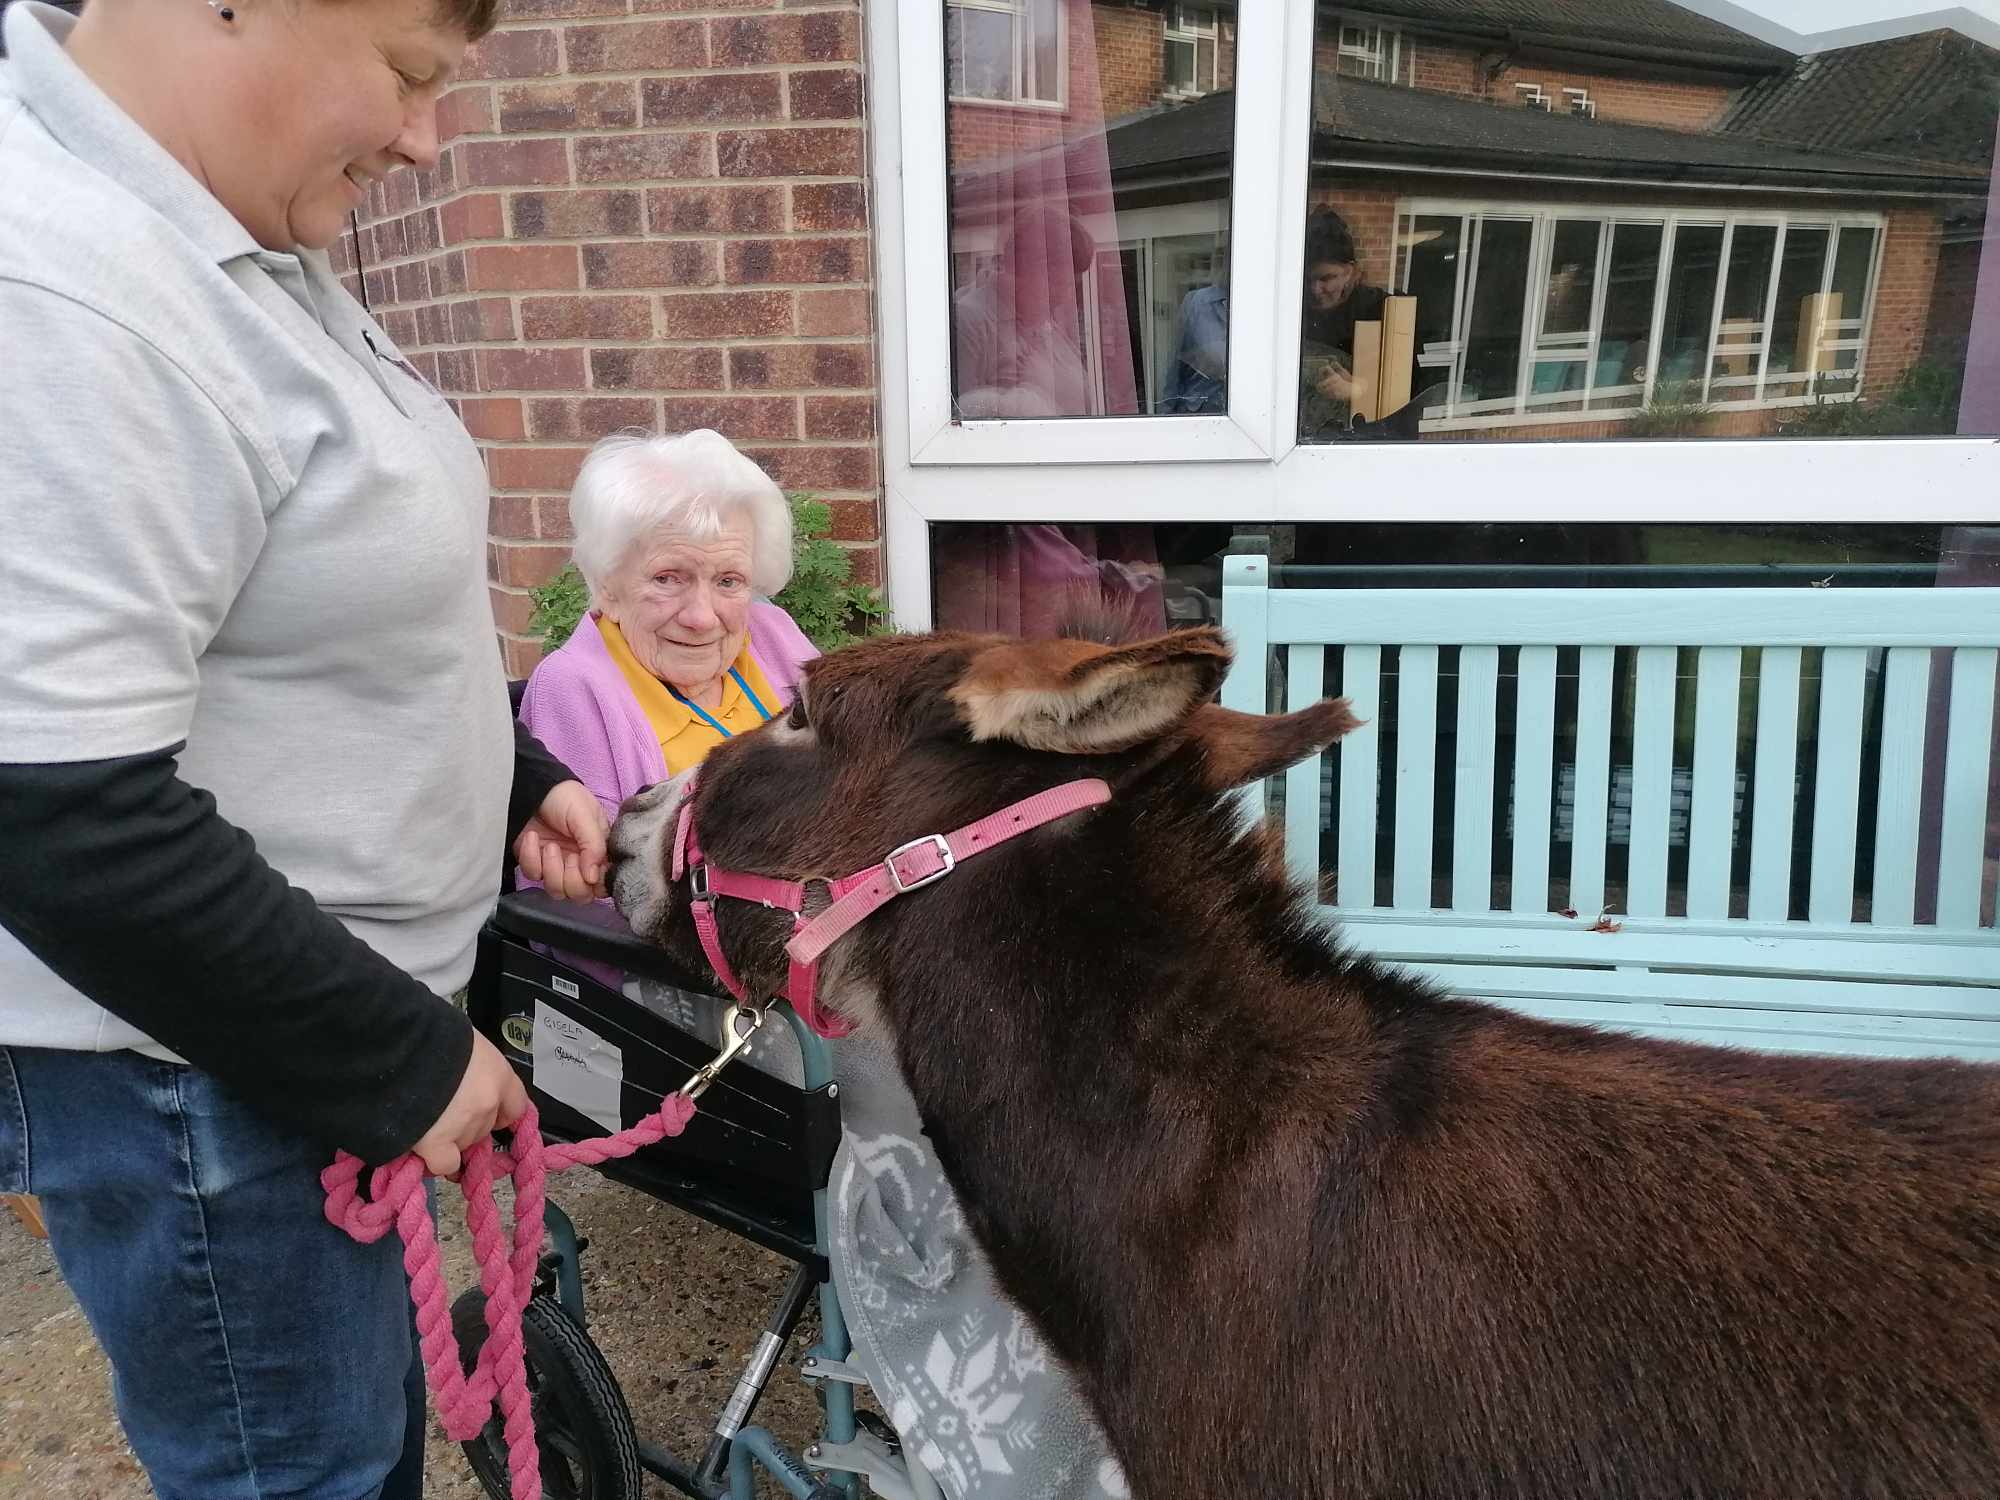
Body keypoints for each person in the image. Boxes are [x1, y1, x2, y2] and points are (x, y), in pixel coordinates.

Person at [0, 0, 610, 1495]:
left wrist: (512, 777)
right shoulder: (62, 287)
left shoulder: (233, 239)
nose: (429, 136)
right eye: (410, 73)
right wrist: (399, 1062)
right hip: (205, 1080)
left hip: (284, 1056)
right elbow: (55, 808)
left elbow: (291, 607)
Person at [1298, 207, 1426, 440]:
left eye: (1327, 278)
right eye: (1308, 279)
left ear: (1350, 271)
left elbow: (1412, 395)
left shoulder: (1385, 313)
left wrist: (1358, 391)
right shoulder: (1291, 312)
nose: (1315, 290)